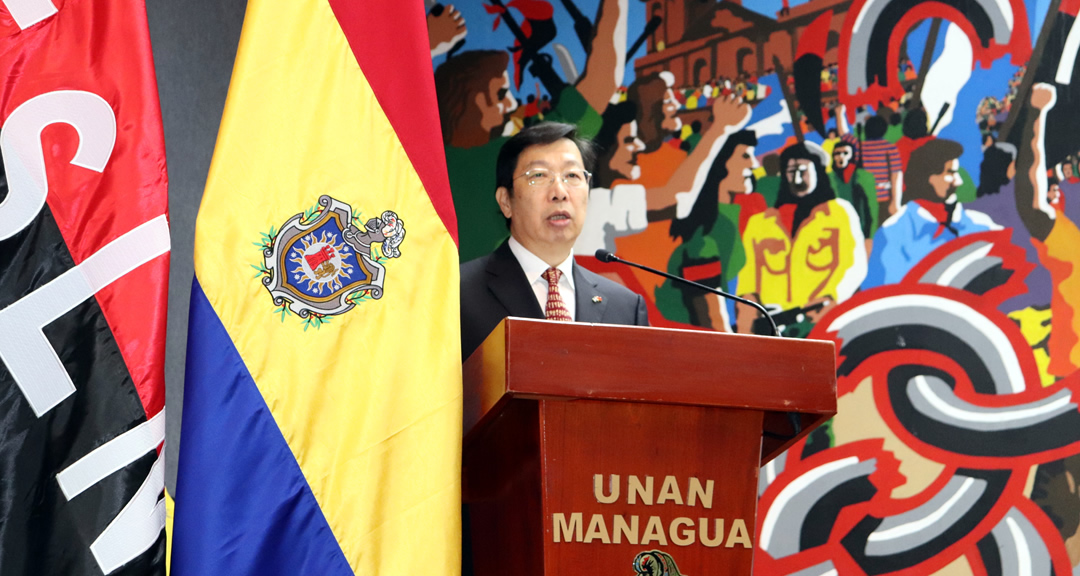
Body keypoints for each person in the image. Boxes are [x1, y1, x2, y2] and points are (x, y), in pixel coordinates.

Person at [460, 122, 649, 359]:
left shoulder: (626, 309)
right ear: (506, 201)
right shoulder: (458, 294)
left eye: (572, 175)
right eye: (538, 175)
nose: (560, 192)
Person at [736, 142, 867, 335]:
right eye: (790, 171)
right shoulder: (760, 224)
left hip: (827, 326)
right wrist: (746, 327)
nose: (796, 178)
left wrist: (832, 298)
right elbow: (747, 283)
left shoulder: (841, 214)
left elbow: (854, 265)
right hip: (776, 332)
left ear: (819, 172)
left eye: (803, 170)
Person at [862, 139, 998, 289]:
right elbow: (881, 296)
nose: (958, 181)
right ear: (928, 177)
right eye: (950, 173)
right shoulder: (893, 234)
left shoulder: (980, 224)